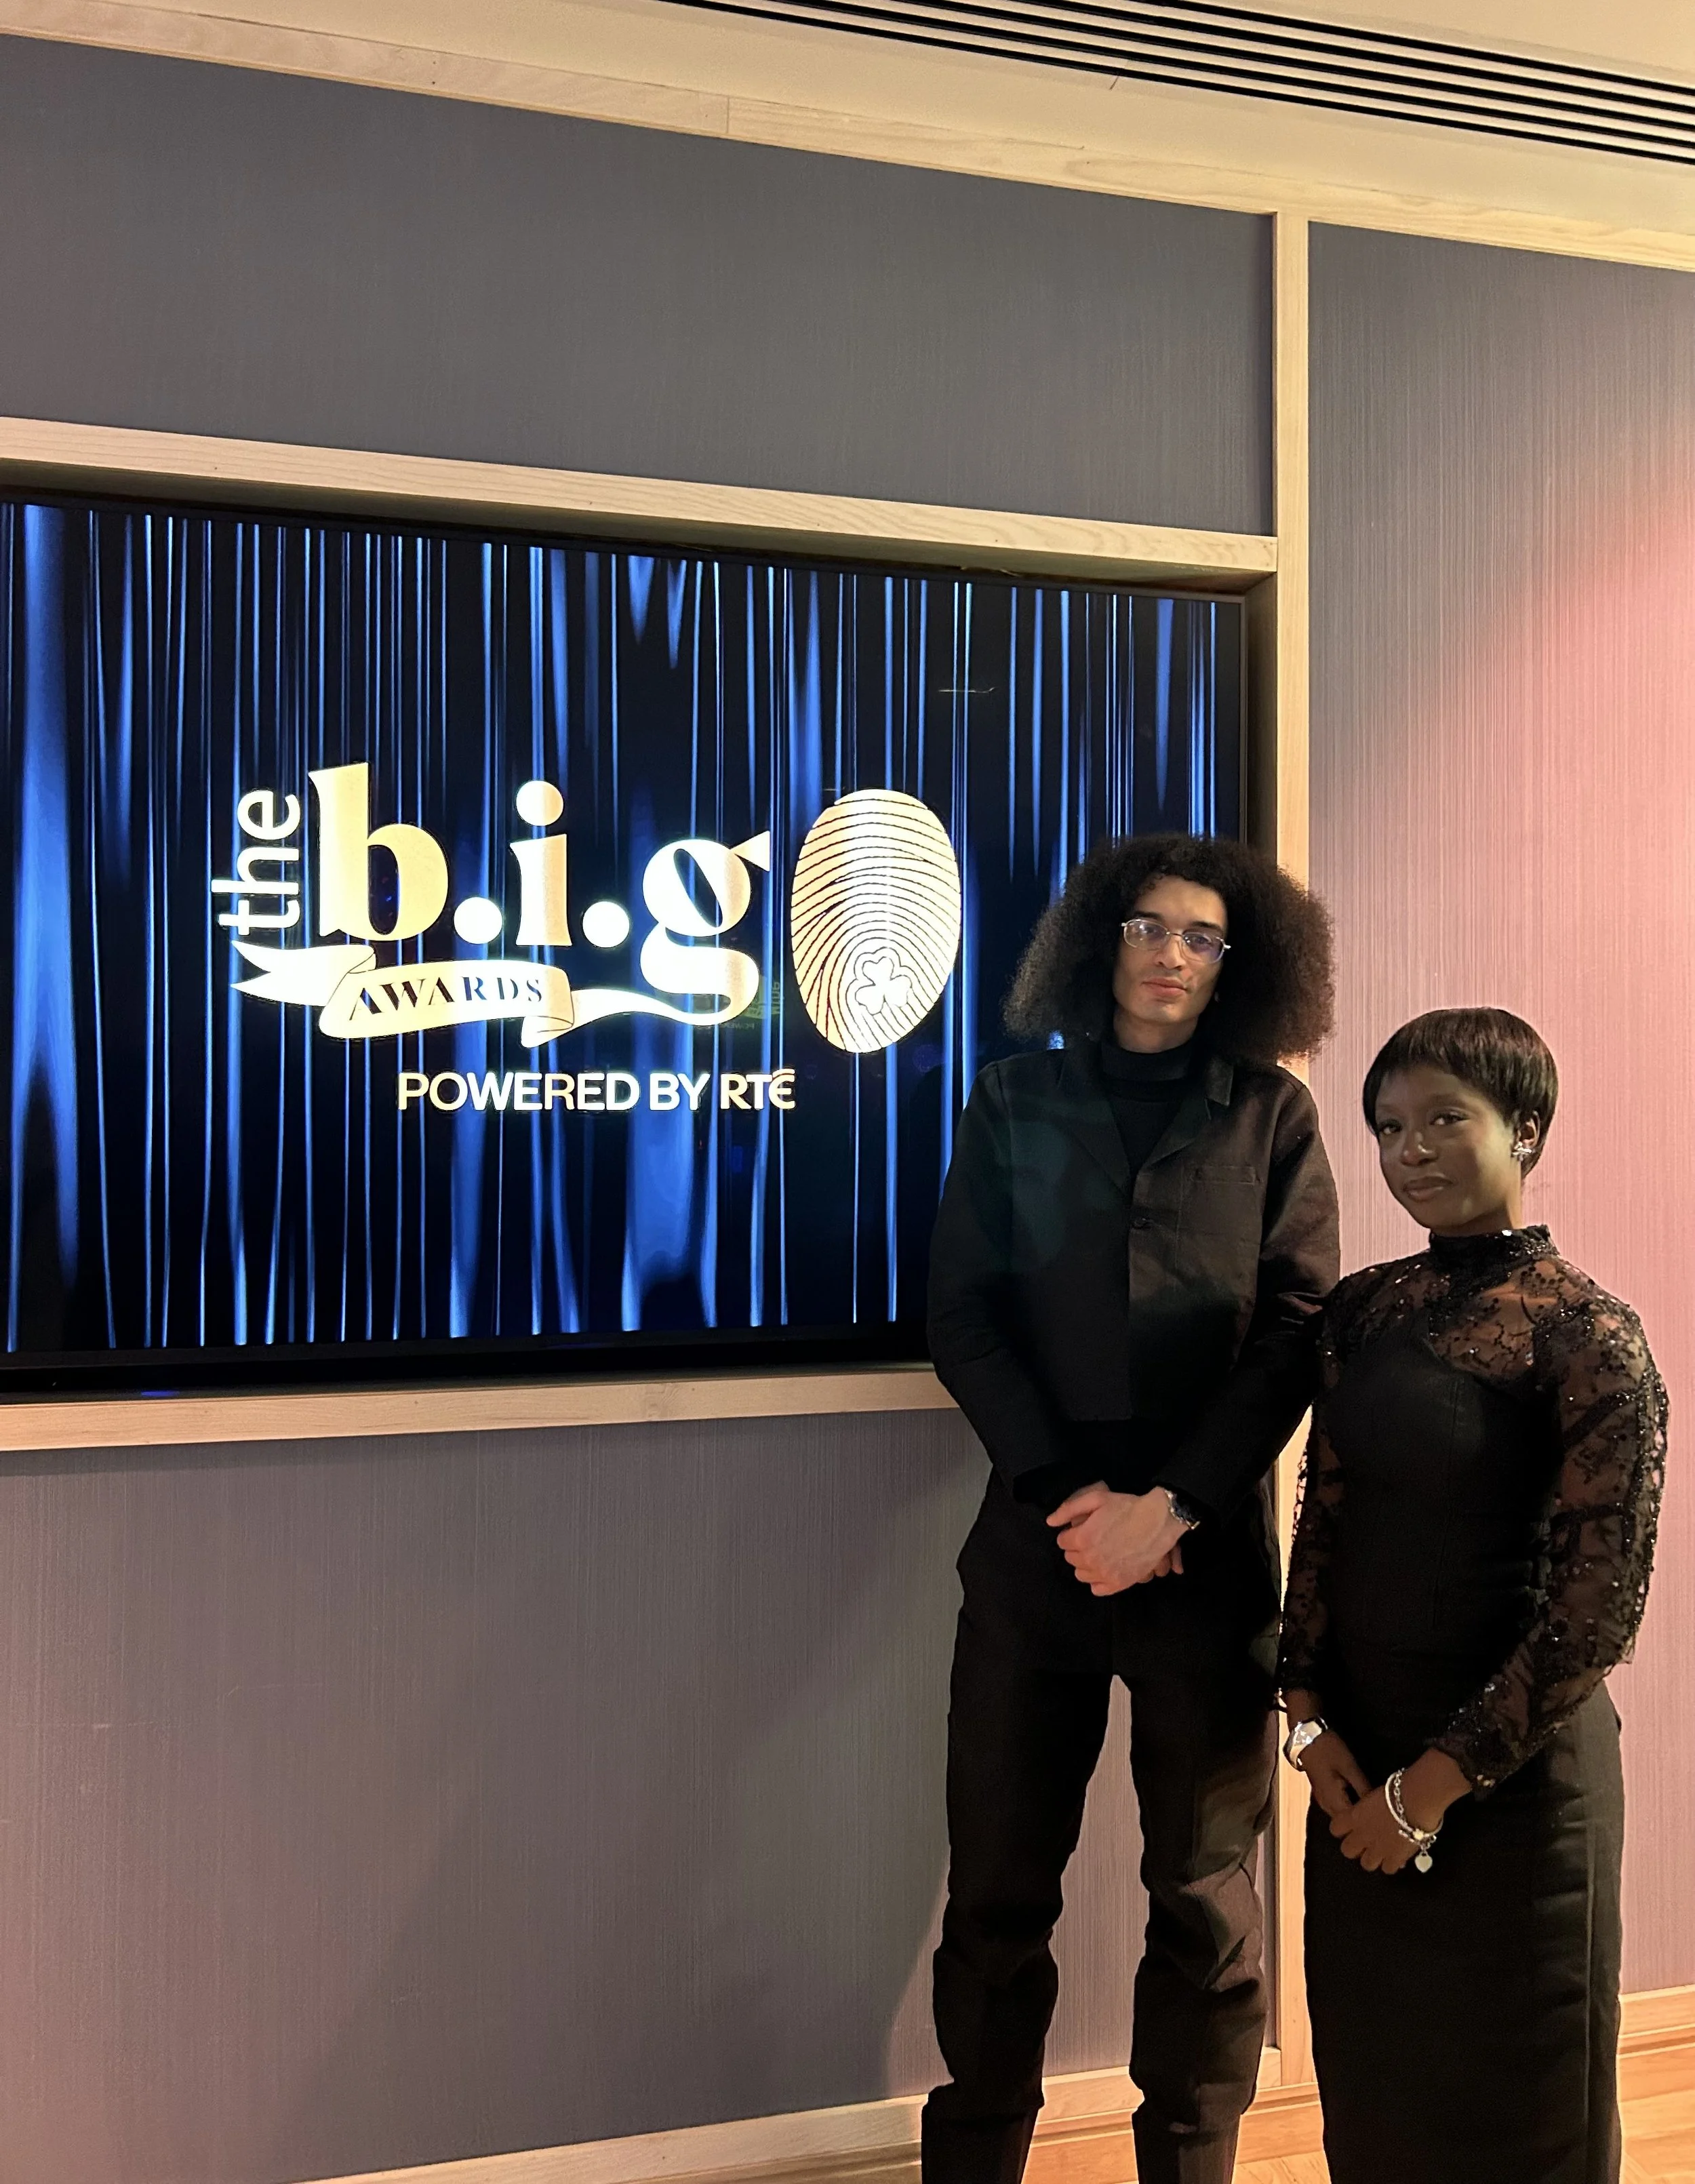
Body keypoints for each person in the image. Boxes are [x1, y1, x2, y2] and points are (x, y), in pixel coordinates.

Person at [924, 833, 1339, 2184]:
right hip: (1033, 1553)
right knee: (993, 1893)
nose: (1169, 952)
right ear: (1099, 939)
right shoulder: (1009, 1102)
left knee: (1203, 1898)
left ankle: (1190, 2160)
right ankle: (974, 2159)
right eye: (1148, 926)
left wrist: (1170, 1504)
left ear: (1237, 962)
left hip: (1205, 1557)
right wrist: (1069, 1498)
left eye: (1200, 935)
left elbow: (1294, 1328)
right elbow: (961, 1314)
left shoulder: (1271, 1114)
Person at [1278, 1008, 1666, 2184]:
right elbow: (1324, 1516)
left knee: (1527, 2117)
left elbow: (1600, 1611)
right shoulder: (1361, 1310)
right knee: (1376, 2091)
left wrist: (1431, 1792)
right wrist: (1305, 1717)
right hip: (1358, 1761)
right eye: (1391, 1127)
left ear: (1528, 1128)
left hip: (1517, 1788)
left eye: (1449, 1118)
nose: (1413, 1150)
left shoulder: (1590, 1332)